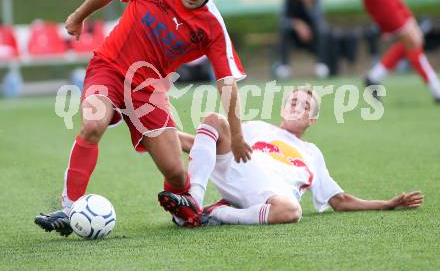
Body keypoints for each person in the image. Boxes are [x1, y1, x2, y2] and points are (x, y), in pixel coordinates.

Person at [35, 0, 253, 236]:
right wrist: (78, 17)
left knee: (175, 171)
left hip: (147, 90)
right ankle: (69, 207)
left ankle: (181, 213)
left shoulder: (211, 25)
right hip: (109, 68)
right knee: (93, 124)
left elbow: (226, 81)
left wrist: (236, 136)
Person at [159, 87, 423, 226]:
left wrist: (388, 204)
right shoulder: (256, 127)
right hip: (240, 169)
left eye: (305, 106)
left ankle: (215, 215)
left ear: (313, 119)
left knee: (291, 211)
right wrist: (158, 133)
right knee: (215, 119)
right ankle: (194, 201)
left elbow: (341, 201)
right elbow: (203, 143)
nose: (297, 107)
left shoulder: (312, 153)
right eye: (293, 102)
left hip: (274, 194)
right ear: (283, 108)